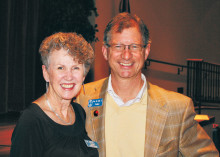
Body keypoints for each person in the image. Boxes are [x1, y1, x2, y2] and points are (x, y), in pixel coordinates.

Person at [76, 12, 219, 157]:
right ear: (105, 51)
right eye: (118, 46)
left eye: (134, 46)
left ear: (146, 51)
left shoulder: (177, 109)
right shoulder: (81, 99)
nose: (126, 55)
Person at [10, 32, 99, 157]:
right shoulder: (31, 121)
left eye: (75, 68)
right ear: (46, 73)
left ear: (83, 75)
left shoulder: (79, 113)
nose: (69, 76)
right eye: (60, 68)